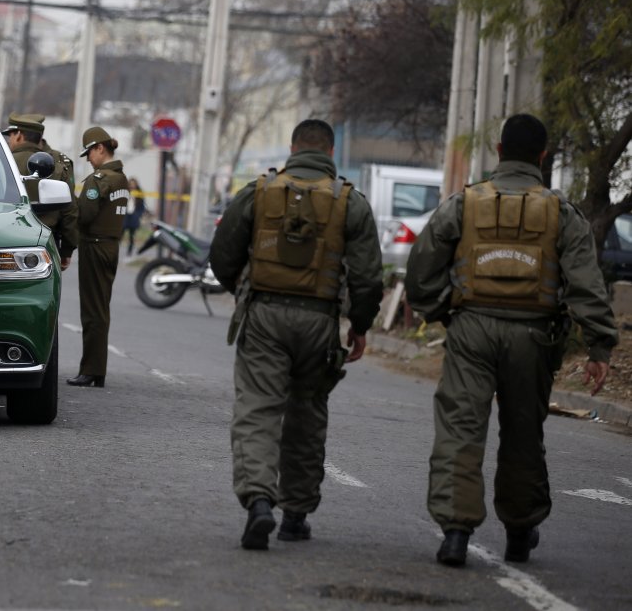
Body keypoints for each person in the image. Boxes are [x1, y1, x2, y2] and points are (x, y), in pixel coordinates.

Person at [405, 113, 618, 567]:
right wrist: (599, 347)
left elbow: (420, 271)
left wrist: (445, 311)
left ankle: (456, 534)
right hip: (534, 335)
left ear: (498, 152)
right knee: (523, 432)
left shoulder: (463, 204)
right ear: (542, 158)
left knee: (461, 429)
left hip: (472, 330)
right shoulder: (562, 214)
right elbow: (585, 284)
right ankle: (520, 532)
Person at [208, 119, 383, 551]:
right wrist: (358, 326)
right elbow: (368, 277)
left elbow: (222, 255)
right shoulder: (350, 202)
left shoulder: (259, 192)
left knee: (258, 409)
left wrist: (245, 293)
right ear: (330, 152)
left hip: (265, 316)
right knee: (307, 413)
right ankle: (296, 515)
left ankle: (259, 503)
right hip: (320, 320)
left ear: (292, 148)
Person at [66, 126, 129, 388]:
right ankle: (96, 369)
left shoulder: (99, 180)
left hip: (94, 246)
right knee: (101, 308)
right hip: (111, 247)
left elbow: (85, 215)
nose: (89, 159)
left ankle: (90, 370)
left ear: (99, 149)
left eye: (89, 153)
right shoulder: (121, 179)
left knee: (92, 311)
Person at [2, 113, 78, 270]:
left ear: (18, 135)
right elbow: (69, 211)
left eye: (10, 135)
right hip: (45, 243)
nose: (9, 140)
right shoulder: (58, 164)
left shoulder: (1, 160)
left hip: (5, 240)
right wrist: (66, 250)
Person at [122, 178, 147, 256]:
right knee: (120, 235)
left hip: (134, 218)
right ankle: (115, 251)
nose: (132, 185)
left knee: (131, 237)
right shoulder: (125, 192)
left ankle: (129, 253)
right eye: (131, 184)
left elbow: (142, 206)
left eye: (134, 184)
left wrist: (138, 215)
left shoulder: (139, 193)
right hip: (125, 217)